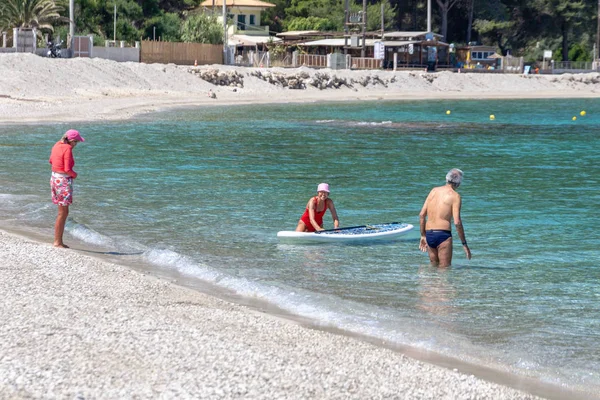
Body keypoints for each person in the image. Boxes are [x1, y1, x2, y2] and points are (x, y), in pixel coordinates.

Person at [419, 168, 471, 267]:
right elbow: (457, 223)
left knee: (433, 269)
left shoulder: (433, 191)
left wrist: (423, 235)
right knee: (444, 271)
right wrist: (464, 244)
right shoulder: (455, 196)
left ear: (447, 179)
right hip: (443, 235)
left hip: (429, 234)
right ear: (458, 183)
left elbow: (422, 215)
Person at [49, 129, 85, 248]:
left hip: (54, 179)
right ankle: (58, 242)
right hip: (63, 181)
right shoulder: (68, 149)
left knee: (63, 212)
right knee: (63, 213)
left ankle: (58, 240)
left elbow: (51, 161)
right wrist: (75, 175)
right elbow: (67, 169)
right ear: (72, 141)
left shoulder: (56, 145)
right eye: (76, 142)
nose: (76, 145)